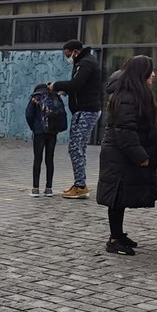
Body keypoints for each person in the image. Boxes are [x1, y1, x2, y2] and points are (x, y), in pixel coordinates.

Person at [96, 55, 157, 256]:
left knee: (121, 195)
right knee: (117, 195)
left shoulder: (134, 93)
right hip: (120, 156)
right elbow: (124, 130)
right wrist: (140, 156)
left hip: (123, 155)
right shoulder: (128, 96)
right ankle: (114, 239)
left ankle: (118, 234)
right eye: (150, 71)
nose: (153, 75)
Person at [48, 39, 102, 199]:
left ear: (75, 51)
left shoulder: (85, 63)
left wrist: (56, 85)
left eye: (67, 54)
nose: (67, 58)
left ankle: (80, 186)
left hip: (85, 111)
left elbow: (76, 84)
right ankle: (79, 183)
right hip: (85, 110)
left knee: (75, 148)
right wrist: (65, 91)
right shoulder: (84, 62)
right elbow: (82, 86)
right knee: (79, 148)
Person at [25, 84, 67, 197]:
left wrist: (34, 127)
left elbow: (28, 114)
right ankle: (49, 189)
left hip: (39, 132)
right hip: (52, 132)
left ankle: (35, 189)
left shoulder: (36, 97)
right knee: (50, 159)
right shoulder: (54, 96)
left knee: (37, 159)